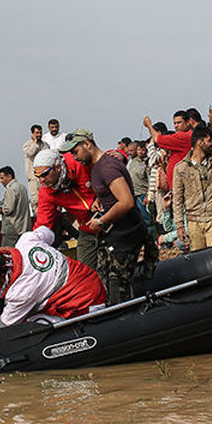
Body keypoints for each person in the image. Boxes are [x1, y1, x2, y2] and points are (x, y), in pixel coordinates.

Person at [62, 129, 150, 304]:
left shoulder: (107, 167)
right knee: (105, 285)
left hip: (125, 234)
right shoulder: (98, 167)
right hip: (115, 236)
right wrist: (98, 199)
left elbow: (126, 201)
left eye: (75, 151)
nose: (75, 157)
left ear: (87, 144)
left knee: (119, 291)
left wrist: (102, 221)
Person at [0, 225, 108, 337]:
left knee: (29, 325)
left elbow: (1, 328)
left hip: (87, 304)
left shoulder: (20, 292)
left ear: (2, 277)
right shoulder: (26, 241)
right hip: (91, 280)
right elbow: (48, 233)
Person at [32, 147, 100, 268]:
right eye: (38, 176)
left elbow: (103, 161)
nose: (42, 180)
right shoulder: (47, 191)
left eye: (44, 174)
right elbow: (43, 224)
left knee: (116, 274)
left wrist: (120, 155)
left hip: (112, 219)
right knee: (86, 271)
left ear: (57, 167)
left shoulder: (78, 161)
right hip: (88, 227)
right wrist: (30, 243)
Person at [172, 126, 212, 251]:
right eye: (209, 140)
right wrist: (180, 226)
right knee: (199, 262)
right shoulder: (181, 168)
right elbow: (177, 199)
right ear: (200, 142)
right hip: (194, 222)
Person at [0, 166, 32, 248]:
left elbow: (8, 209)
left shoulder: (11, 189)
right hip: (24, 227)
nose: (0, 181)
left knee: (8, 253)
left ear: (9, 177)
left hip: (12, 229)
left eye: (2, 178)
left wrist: (0, 210)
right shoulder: (22, 187)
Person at [22, 124, 48, 213]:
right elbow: (30, 153)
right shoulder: (27, 144)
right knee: (36, 200)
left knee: (45, 199)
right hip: (33, 177)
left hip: (45, 177)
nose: (39, 135)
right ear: (32, 134)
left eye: (40, 133)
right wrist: (35, 143)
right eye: (37, 133)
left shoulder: (45, 145)